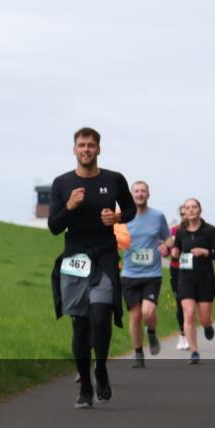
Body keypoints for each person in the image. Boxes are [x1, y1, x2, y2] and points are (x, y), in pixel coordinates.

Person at [48, 127, 136, 408]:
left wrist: (118, 217)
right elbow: (53, 226)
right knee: (81, 324)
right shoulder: (62, 184)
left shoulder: (113, 179)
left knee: (101, 315)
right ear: (74, 150)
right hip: (75, 258)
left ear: (98, 149)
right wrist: (70, 207)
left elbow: (131, 209)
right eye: (81, 145)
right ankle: (85, 385)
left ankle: (100, 368)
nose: (86, 149)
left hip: (105, 255)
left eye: (91, 145)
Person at [120, 181, 171, 368]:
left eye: (143, 191)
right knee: (135, 316)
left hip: (152, 273)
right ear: (131, 195)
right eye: (136, 191)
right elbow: (114, 239)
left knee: (148, 313)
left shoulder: (157, 216)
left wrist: (167, 245)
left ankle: (151, 331)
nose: (140, 194)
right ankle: (138, 353)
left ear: (148, 194)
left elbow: (168, 237)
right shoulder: (123, 217)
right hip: (129, 273)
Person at [170, 198, 215, 365]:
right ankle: (194, 351)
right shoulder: (180, 231)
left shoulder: (210, 230)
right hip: (185, 278)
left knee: (204, 318)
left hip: (205, 279)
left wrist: (205, 252)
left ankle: (207, 325)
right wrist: (174, 252)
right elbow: (177, 249)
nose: (191, 210)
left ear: (200, 210)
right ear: (184, 212)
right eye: (188, 208)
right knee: (188, 314)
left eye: (194, 207)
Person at [168, 206, 189, 351]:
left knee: (192, 305)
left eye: (187, 213)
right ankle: (183, 335)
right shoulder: (174, 231)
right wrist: (170, 250)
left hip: (194, 270)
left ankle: (194, 329)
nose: (185, 216)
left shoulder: (199, 230)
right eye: (182, 214)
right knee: (180, 302)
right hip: (177, 269)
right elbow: (166, 247)